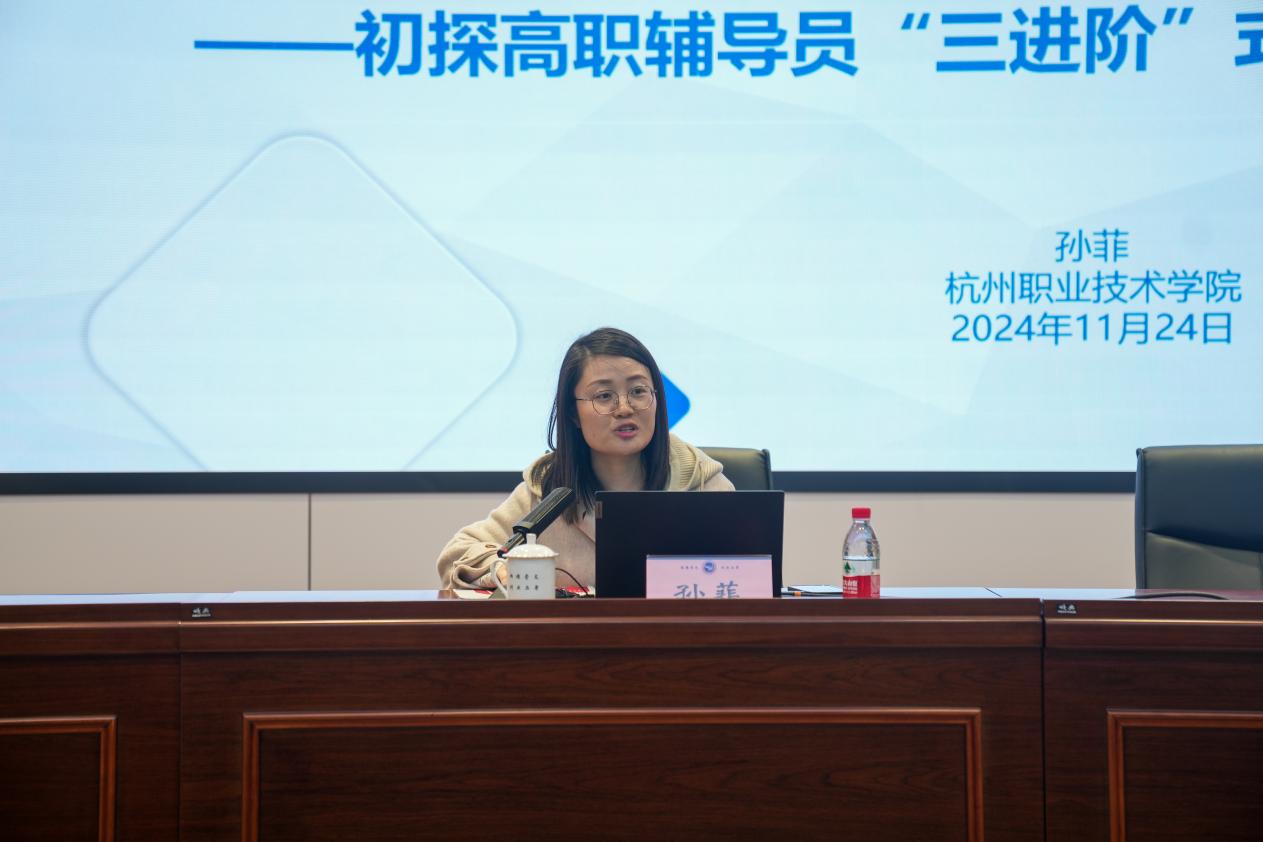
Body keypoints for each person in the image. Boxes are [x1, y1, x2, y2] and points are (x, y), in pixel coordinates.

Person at [437, 327, 734, 590]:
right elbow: (459, 554)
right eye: (604, 396)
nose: (624, 408)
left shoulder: (700, 480)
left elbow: (749, 570)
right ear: (572, 413)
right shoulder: (548, 490)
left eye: (638, 391)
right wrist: (503, 570)